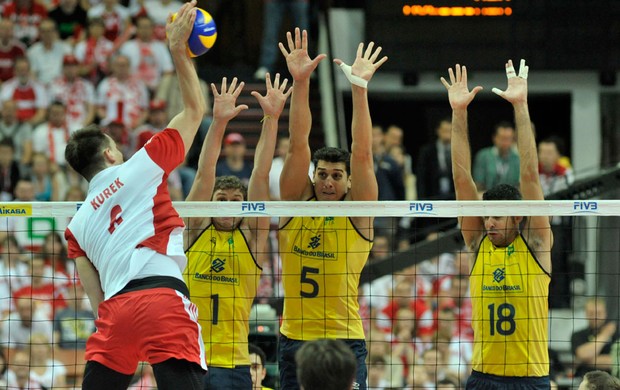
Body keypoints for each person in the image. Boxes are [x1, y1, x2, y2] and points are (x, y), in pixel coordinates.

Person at [63, 2, 207, 388]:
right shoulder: (139, 166)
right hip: (161, 297)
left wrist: (121, 329)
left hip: (116, 314)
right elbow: (195, 110)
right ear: (111, 154)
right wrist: (178, 51)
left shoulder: (75, 226)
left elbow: (96, 299)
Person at [276, 28, 387, 389]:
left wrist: (359, 88)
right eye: (322, 174)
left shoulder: (358, 213)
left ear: (348, 182)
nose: (327, 182)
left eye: (337, 176)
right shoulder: (297, 203)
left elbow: (364, 154)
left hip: (344, 338)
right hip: (294, 337)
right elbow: (297, 145)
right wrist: (301, 82)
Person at [441, 59, 553, 388]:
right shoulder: (478, 243)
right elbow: (462, 179)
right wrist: (459, 112)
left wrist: (520, 104)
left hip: (530, 379)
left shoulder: (535, 244)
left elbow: (530, 177)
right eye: (487, 214)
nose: (489, 222)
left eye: (497, 216)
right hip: (483, 378)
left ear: (517, 216)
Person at [184, 73, 290, 389]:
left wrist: (271, 119)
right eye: (221, 200)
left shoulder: (251, 238)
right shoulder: (194, 229)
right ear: (210, 203)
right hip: (189, 356)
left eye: (236, 201)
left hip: (234, 361)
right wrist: (218, 122)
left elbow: (260, 172)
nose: (229, 206)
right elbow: (205, 173)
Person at [571, 298, 619, 378]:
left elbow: (616, 361)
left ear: (605, 313)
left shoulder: (617, 334)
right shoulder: (578, 335)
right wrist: (605, 335)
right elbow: (583, 354)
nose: (595, 317)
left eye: (598, 313)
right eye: (591, 313)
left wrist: (585, 361)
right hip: (585, 380)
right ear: (586, 314)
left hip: (612, 381)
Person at [472, 120, 520, 192]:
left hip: (511, 199)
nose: (505, 142)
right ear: (494, 138)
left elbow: (520, 185)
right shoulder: (483, 156)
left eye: (508, 138)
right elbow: (478, 184)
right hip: (487, 198)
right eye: (502, 138)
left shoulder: (517, 158)